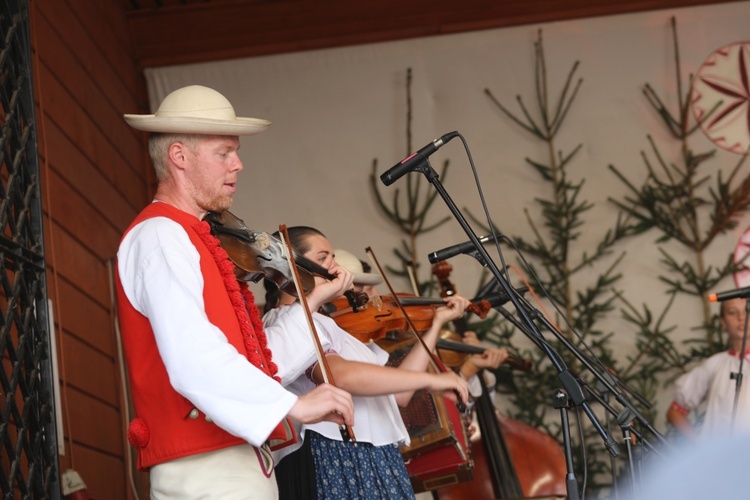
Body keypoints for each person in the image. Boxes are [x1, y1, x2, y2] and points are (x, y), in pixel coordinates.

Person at [115, 85, 354, 498]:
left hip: (238, 461)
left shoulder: (197, 237)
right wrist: (292, 406)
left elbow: (252, 362)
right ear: (179, 157)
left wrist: (310, 301)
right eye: (224, 152)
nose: (238, 164)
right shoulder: (160, 235)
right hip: (204, 470)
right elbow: (193, 353)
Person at [262, 227, 471, 499]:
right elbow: (340, 375)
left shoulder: (331, 326)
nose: (335, 268)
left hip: (373, 454)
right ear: (290, 264)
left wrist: (436, 325)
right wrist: (432, 379)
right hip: (338, 453)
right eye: (323, 258)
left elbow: (399, 394)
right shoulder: (285, 321)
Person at [666, 297, 750, 438]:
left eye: (747, 310)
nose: (741, 317)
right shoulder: (714, 365)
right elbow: (675, 412)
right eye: (732, 312)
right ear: (723, 322)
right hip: (723, 457)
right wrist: (700, 446)